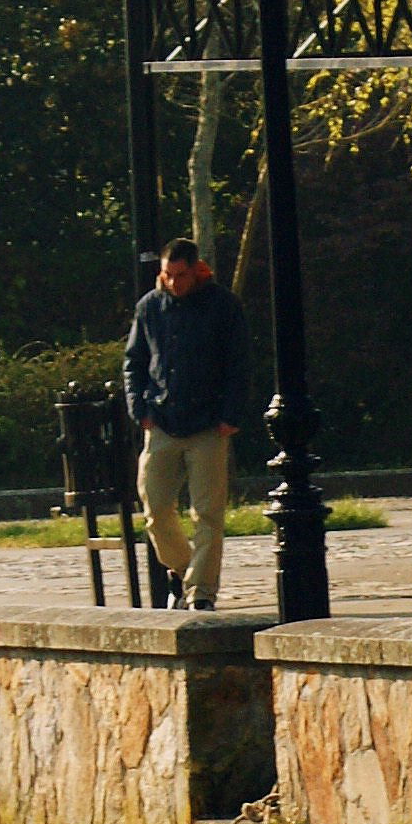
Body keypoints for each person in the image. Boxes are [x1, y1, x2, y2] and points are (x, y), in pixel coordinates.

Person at [121, 238, 251, 609]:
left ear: (196, 271)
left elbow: (239, 362)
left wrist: (231, 414)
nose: (174, 283)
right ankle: (185, 569)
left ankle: (201, 593)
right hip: (162, 420)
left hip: (209, 424)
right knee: (155, 508)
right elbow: (134, 361)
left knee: (208, 513)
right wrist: (138, 407)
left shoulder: (223, 306)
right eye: (167, 275)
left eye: (181, 275)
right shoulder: (150, 307)